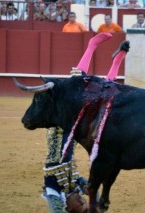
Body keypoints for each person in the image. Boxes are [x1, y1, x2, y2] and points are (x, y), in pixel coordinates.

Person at [43, 33, 130, 213]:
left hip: (57, 128)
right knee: (100, 95)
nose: (81, 201)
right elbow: (92, 190)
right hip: (74, 130)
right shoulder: (73, 183)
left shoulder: (54, 190)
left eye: (79, 204)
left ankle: (91, 46)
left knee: (76, 86)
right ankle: (116, 62)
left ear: (68, 207)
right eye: (83, 202)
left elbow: (55, 210)